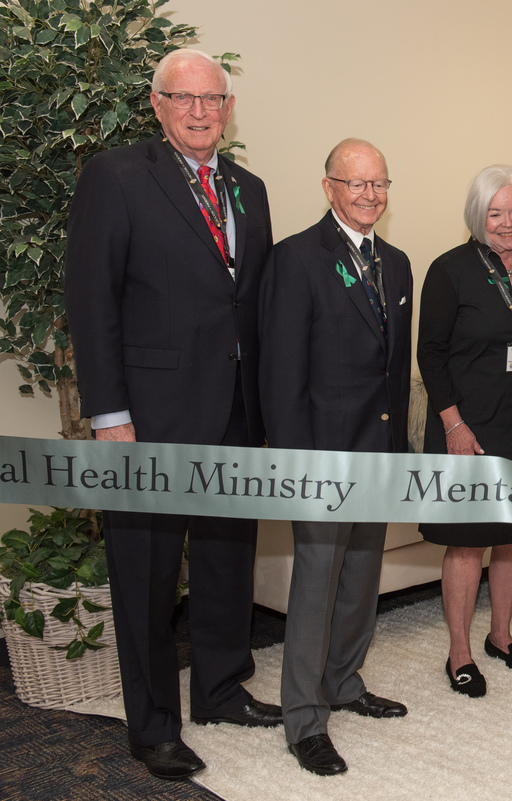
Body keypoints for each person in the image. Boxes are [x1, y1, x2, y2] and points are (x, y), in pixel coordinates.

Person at [64, 48, 280, 781]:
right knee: (148, 575)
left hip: (234, 413)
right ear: (155, 105)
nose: (199, 111)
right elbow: (91, 303)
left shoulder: (249, 190)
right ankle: (152, 724)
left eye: (212, 99)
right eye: (182, 98)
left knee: (226, 562)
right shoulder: (116, 177)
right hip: (146, 417)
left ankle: (221, 689)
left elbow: (253, 306)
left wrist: (268, 410)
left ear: (228, 109)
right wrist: (109, 415)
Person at [258, 138, 414, 776]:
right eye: (357, 184)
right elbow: (280, 370)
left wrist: (398, 450)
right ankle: (303, 719)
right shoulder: (295, 259)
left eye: (379, 183)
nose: (370, 195)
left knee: (359, 582)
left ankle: (345, 683)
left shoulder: (398, 264)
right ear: (329, 188)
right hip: (321, 457)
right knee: (317, 587)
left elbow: (395, 369)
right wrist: (293, 459)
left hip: (375, 454)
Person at [417, 165, 512, 699]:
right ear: (478, 216)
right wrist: (451, 422)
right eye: (495, 213)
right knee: (468, 540)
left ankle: (500, 636)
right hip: (468, 428)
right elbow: (430, 353)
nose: (507, 222)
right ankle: (459, 653)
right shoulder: (450, 270)